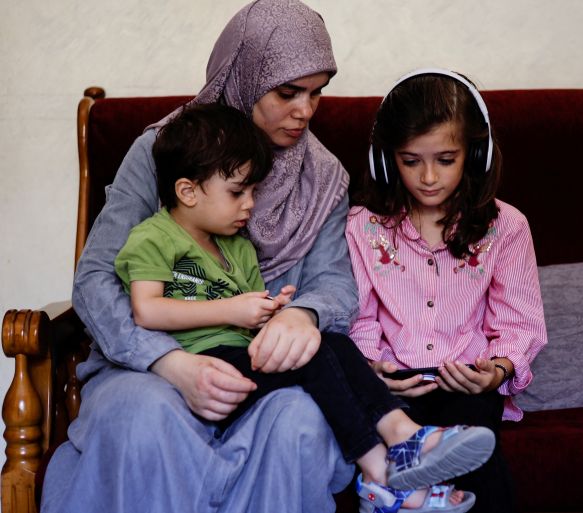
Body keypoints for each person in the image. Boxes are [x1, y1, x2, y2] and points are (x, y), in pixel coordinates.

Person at [42, 1, 357, 512]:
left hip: (259, 369)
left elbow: (334, 282)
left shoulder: (323, 179)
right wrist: (168, 362)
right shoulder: (163, 151)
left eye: (317, 92)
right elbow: (96, 277)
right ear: (246, 75)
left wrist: (302, 314)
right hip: (144, 367)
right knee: (144, 417)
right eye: (287, 92)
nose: (306, 111)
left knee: (301, 421)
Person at [114, 102, 493, 513]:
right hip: (199, 366)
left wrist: (273, 312)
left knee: (325, 342)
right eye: (238, 192)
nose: (249, 205)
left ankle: (395, 453)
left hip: (239, 357)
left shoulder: (236, 247)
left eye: (254, 192)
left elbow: (248, 318)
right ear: (187, 191)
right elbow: (146, 311)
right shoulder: (153, 237)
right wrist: (232, 311)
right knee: (316, 357)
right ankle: (390, 461)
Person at [345, 68, 549, 513]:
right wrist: (372, 370)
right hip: (394, 386)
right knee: (381, 439)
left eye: (446, 159)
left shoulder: (506, 226)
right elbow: (360, 317)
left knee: (476, 447)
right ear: (387, 160)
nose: (429, 177)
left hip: (468, 384)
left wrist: (496, 370)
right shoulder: (362, 226)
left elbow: (519, 321)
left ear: (475, 156)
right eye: (411, 160)